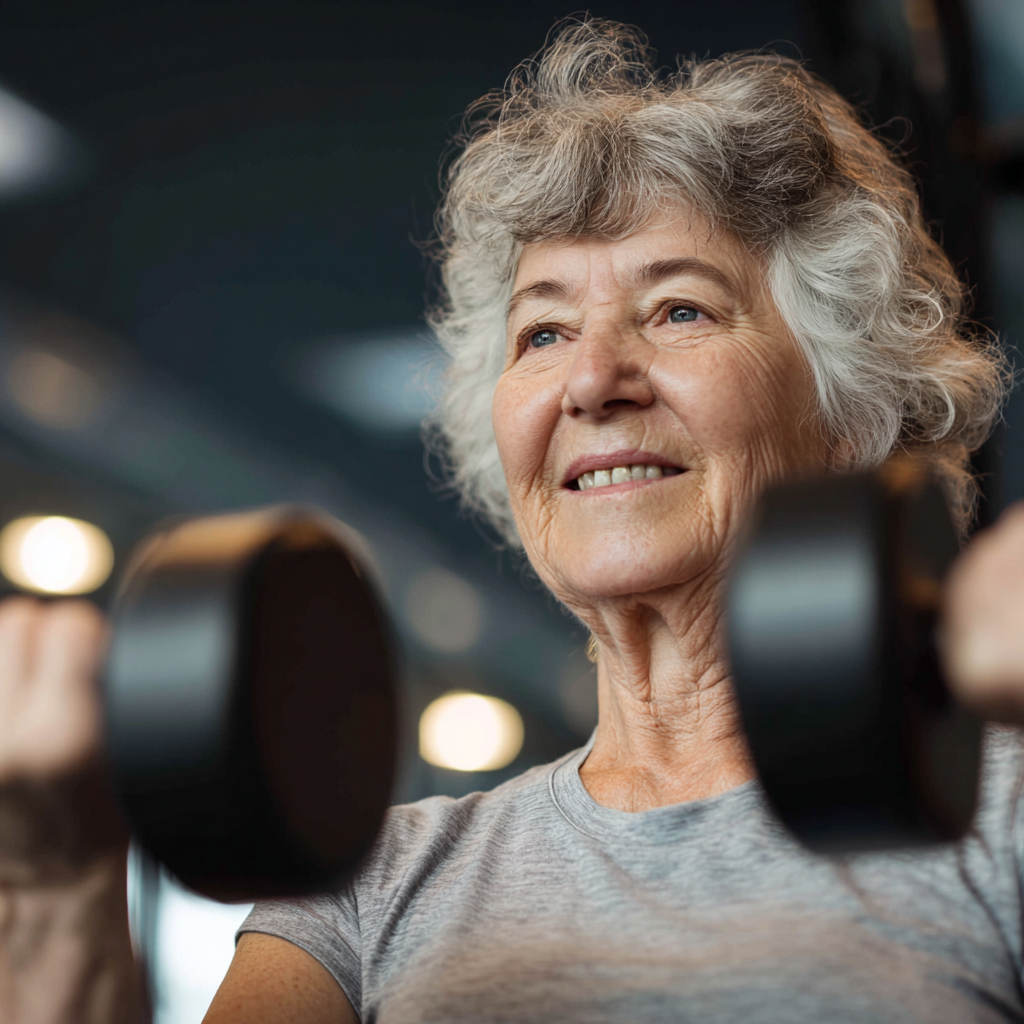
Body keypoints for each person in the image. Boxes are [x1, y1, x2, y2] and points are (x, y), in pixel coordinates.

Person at [5, 18, 1024, 1023]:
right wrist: (55, 894)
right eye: (543, 332)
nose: (590, 379)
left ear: (850, 415)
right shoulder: (374, 882)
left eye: (679, 310)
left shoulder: (1003, 814)